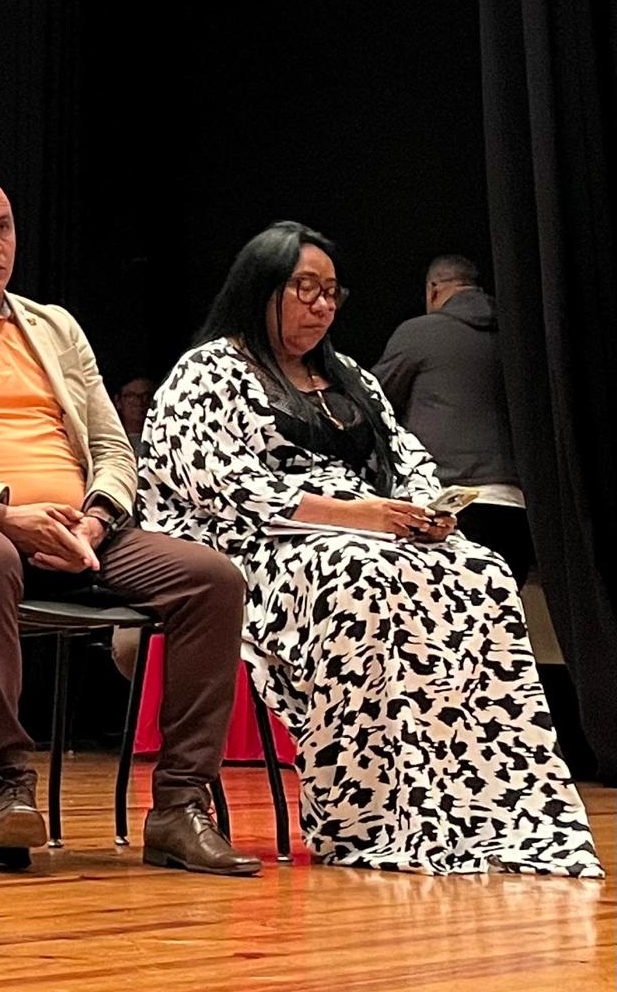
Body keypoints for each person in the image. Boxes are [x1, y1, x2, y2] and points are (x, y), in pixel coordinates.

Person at [138, 222, 599, 877]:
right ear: (261, 287)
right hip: (258, 546)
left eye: (332, 293)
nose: (322, 305)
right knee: (356, 572)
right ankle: (368, 817)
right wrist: (359, 518)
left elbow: (407, 457)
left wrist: (421, 512)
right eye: (305, 288)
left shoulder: (350, 377)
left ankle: (481, 812)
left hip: (367, 533)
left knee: (481, 573)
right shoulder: (209, 371)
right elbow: (222, 484)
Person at [0, 175, 256, 873]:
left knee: (211, 580)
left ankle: (180, 806)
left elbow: (115, 445)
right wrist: (3, 511)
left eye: (3, 227)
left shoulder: (54, 325)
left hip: (79, 532)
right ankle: (7, 785)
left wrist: (97, 518)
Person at [374, 254, 532, 582]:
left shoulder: (419, 332)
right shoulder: (522, 340)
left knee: (440, 622)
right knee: (498, 618)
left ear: (434, 290)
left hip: (447, 506)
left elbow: (372, 403)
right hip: (519, 508)